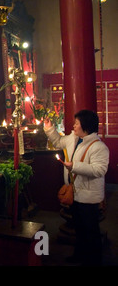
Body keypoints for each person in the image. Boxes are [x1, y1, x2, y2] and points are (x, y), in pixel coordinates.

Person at [44, 109, 109, 266]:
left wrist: (75, 166)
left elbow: (99, 170)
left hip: (89, 196)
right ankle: (79, 256)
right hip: (76, 193)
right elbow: (59, 142)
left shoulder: (98, 147)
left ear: (85, 126)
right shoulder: (75, 139)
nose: (73, 126)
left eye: (77, 123)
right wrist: (49, 129)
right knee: (79, 229)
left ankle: (94, 261)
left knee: (91, 232)